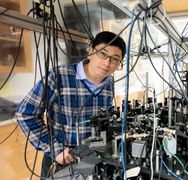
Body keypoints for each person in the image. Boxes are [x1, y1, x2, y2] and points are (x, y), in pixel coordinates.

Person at [15, 31, 126, 179]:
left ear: (120, 63)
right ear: (91, 51)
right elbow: (25, 114)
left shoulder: (109, 83)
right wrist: (56, 149)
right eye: (103, 54)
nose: (107, 63)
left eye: (115, 59)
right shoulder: (58, 76)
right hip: (61, 161)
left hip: (93, 160)